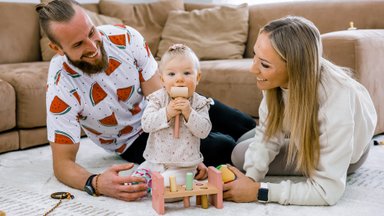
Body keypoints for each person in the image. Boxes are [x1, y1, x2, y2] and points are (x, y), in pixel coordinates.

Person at [36, 0, 255, 202]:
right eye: (78, 45)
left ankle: (273, 145)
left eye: (91, 32)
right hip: (134, 138)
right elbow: (63, 164)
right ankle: (261, 154)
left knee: (242, 122)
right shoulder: (60, 86)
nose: (93, 47)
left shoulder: (127, 39)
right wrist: (97, 183)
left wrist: (187, 133)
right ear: (57, 49)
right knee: (223, 146)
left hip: (164, 109)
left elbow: (161, 99)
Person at [225, 16, 377, 205]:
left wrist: (258, 191)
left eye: (264, 64)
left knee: (240, 154)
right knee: (245, 148)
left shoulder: (336, 99)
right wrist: (250, 178)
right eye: (255, 55)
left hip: (350, 151)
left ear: (295, 68)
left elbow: (327, 191)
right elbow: (267, 134)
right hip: (302, 132)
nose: (253, 69)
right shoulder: (274, 81)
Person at [137, 44, 212, 188]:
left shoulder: (200, 103)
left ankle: (158, 186)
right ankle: (149, 183)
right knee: (134, 182)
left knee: (164, 188)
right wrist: (167, 112)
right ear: (162, 79)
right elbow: (146, 124)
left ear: (198, 77)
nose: (179, 79)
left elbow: (204, 131)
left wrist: (189, 113)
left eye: (187, 73)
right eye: (171, 74)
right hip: (155, 161)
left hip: (183, 166)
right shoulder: (157, 99)